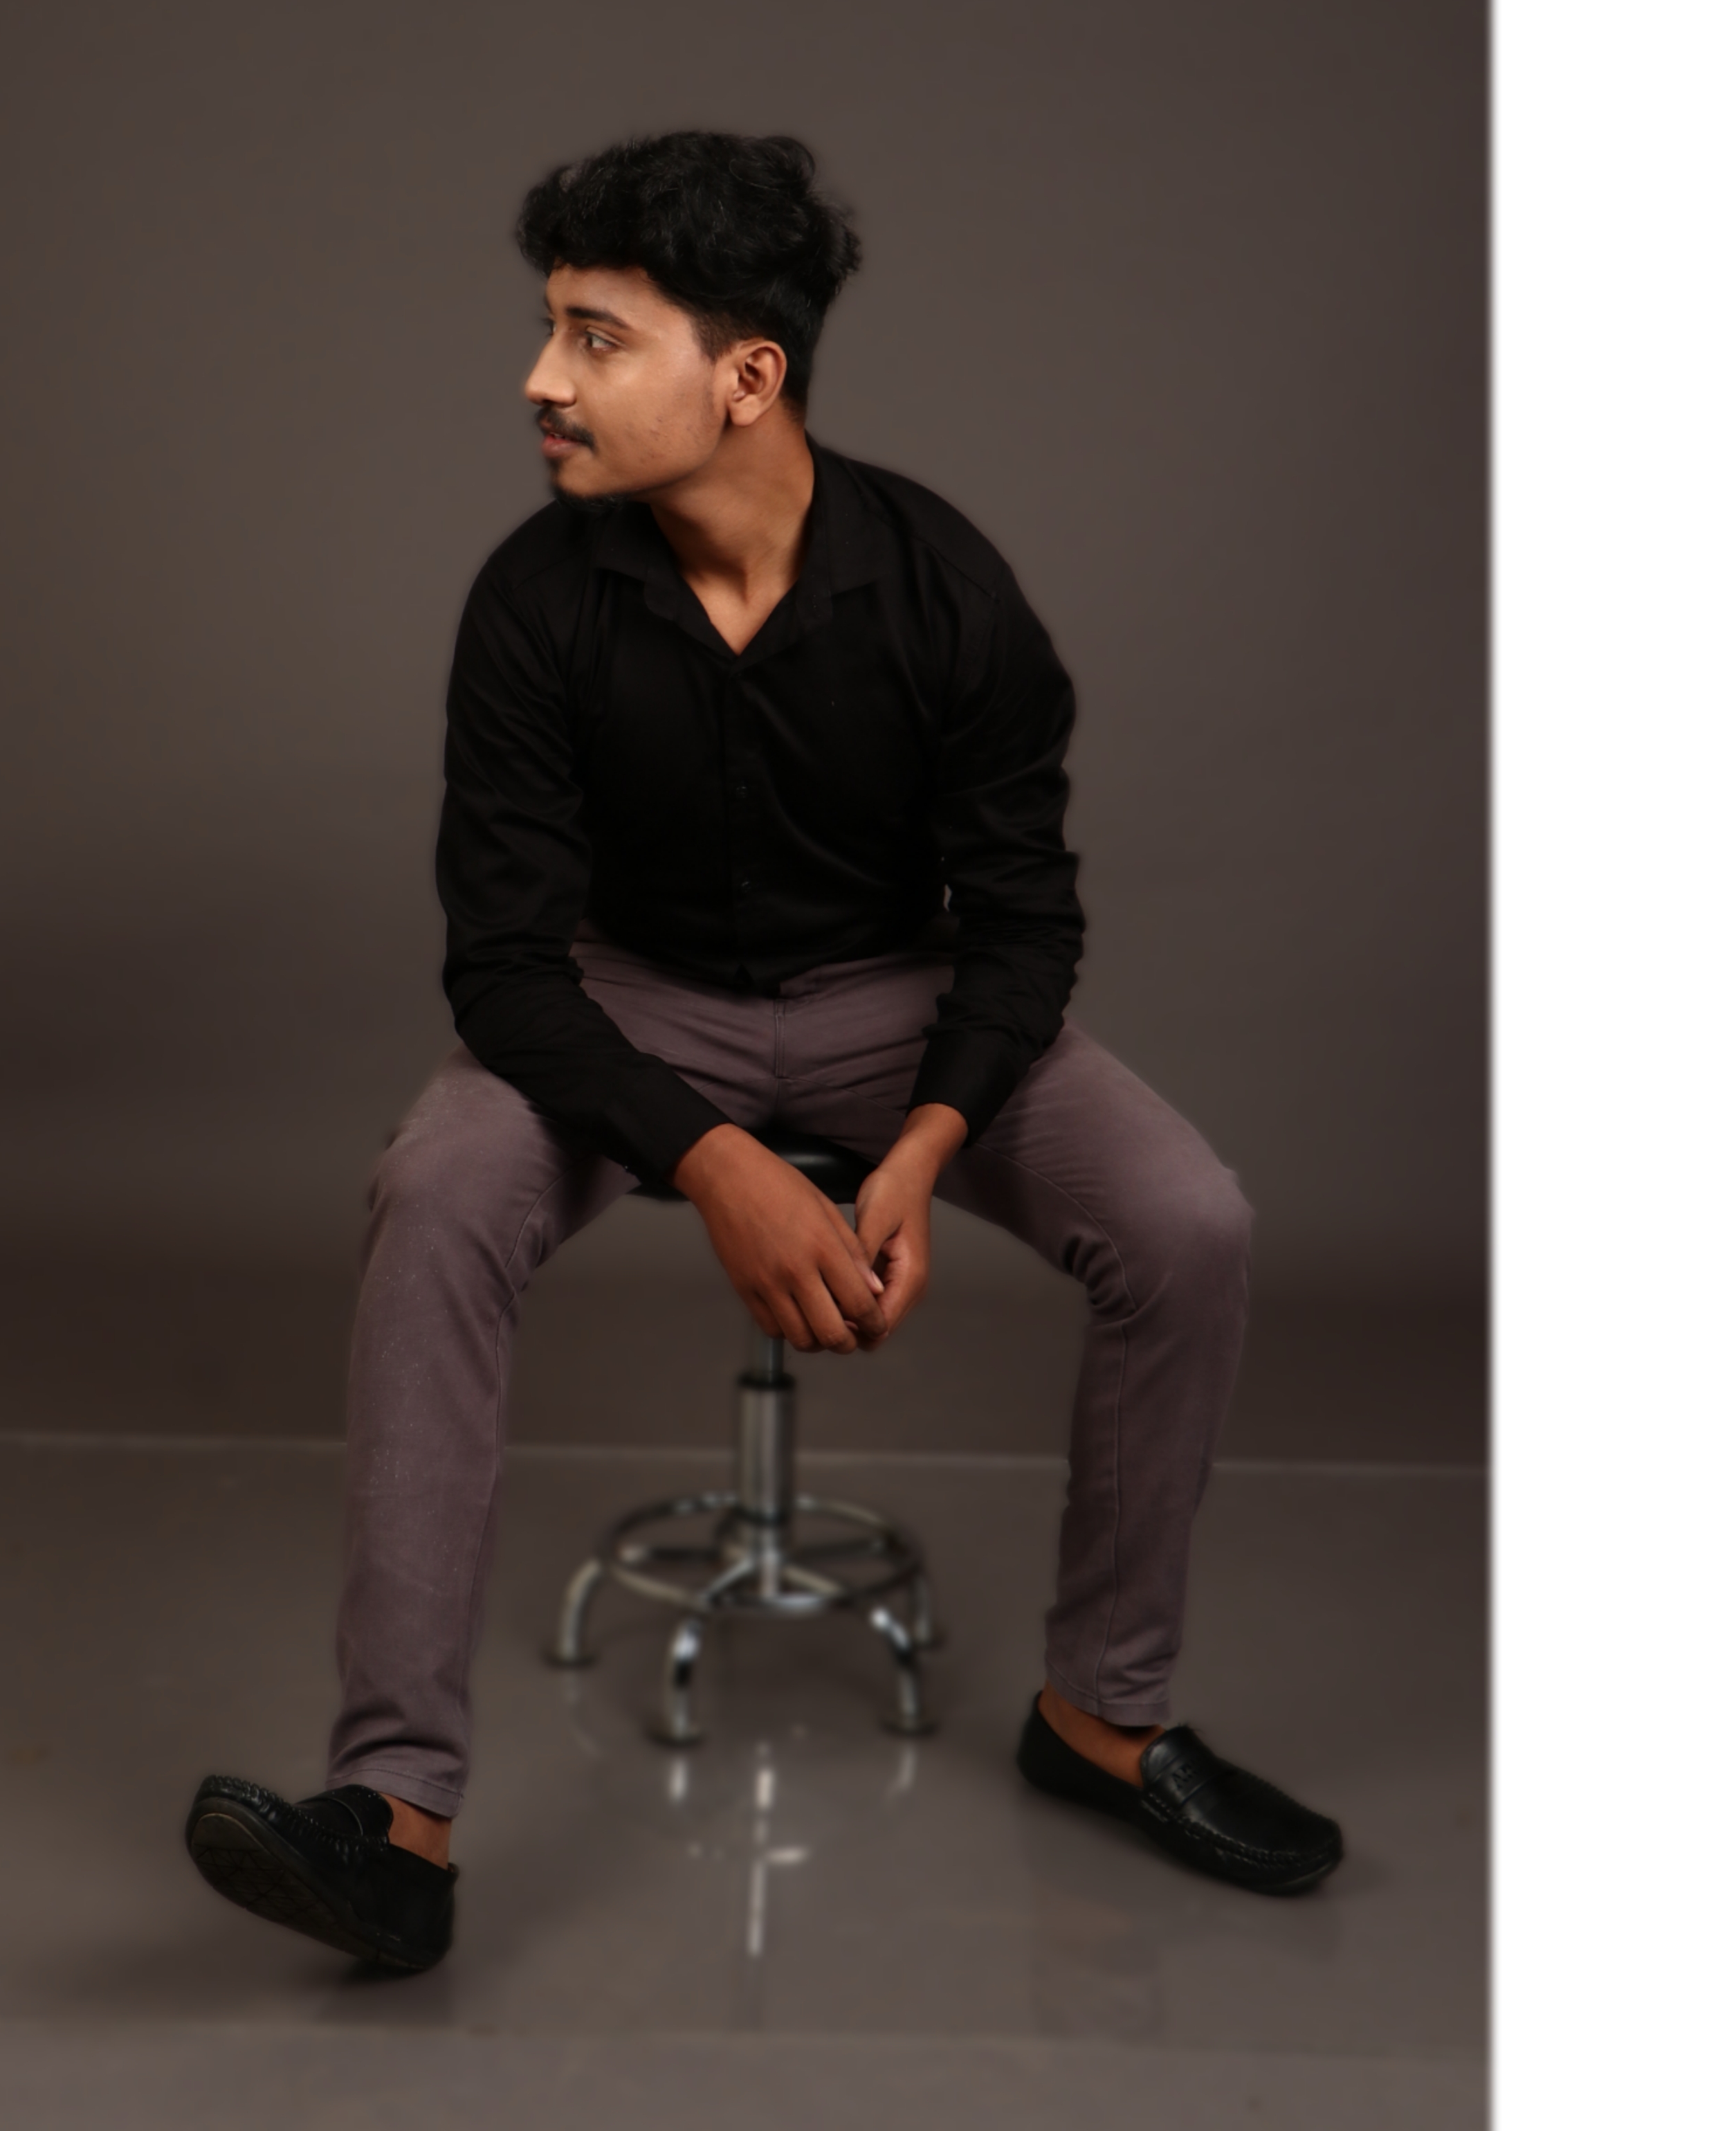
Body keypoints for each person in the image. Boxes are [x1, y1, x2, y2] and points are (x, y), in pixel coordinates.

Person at [183, 132, 1342, 1973]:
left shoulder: (948, 588)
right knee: (438, 1192)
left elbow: (1022, 921)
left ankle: (1103, 1718)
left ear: (747, 376)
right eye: (549, 328)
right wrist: (715, 1162)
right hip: (621, 999)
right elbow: (505, 965)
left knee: (1189, 1217)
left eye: (595, 337)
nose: (541, 378)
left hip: (902, 1002)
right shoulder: (536, 598)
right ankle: (394, 1818)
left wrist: (924, 1147)